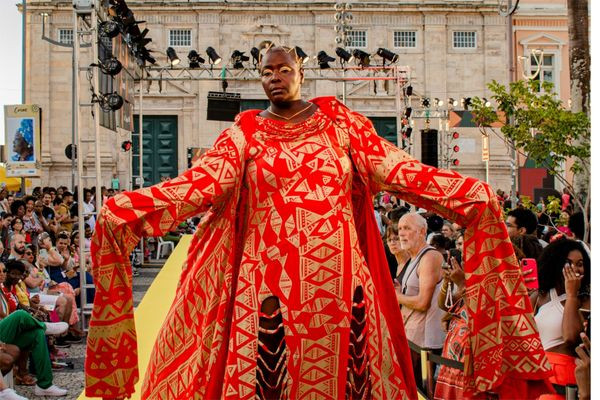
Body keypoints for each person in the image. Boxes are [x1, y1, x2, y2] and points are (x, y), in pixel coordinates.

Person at [85, 45, 552, 399]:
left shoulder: (340, 124)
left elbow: (398, 171)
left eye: (284, 70)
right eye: (266, 72)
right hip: (266, 285)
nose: (274, 79)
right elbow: (199, 186)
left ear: (301, 73)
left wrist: (469, 194)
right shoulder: (243, 133)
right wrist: (127, 209)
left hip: (341, 284)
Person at [531, 239, 590, 400]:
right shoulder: (539, 296)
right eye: (568, 263)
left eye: (580, 264)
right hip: (537, 373)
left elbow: (572, 338)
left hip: (564, 378)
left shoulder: (586, 301)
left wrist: (571, 295)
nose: (575, 268)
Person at [0, 260, 68, 396]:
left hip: (7, 332)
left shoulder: (6, 288)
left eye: (3, 271)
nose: (3, 274)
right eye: (1, 272)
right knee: (19, 315)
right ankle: (44, 326)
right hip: (3, 330)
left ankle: (45, 384)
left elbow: (19, 304)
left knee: (37, 334)